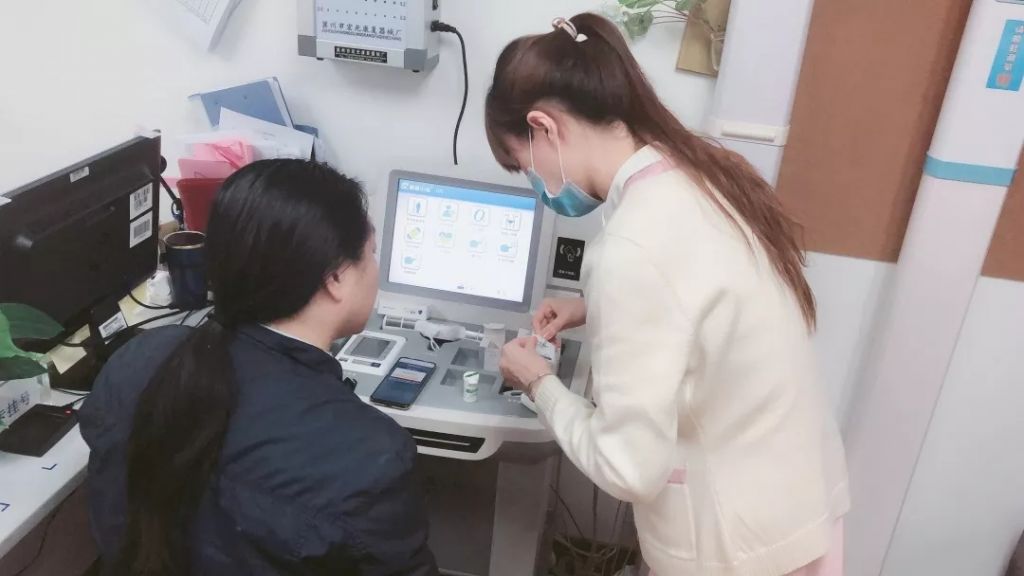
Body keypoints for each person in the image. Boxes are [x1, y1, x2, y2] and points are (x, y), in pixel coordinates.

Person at [489, 14, 849, 576]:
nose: (539, 187)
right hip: (795, 507)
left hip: (734, 547)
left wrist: (539, 384)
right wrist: (593, 310)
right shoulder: (696, 174)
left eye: (523, 166)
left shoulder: (632, 247)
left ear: (544, 128)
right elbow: (705, 304)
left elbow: (628, 468)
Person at [80, 160, 438, 576]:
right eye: (371, 253)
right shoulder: (370, 454)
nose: (374, 269)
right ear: (335, 278)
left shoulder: (138, 359)